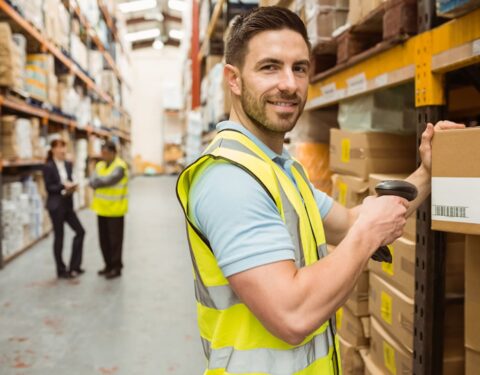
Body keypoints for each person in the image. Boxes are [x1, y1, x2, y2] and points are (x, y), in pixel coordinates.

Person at [176, 6, 465, 375]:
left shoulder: (280, 171)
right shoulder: (229, 180)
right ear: (233, 79)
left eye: (299, 68)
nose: (290, 84)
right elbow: (292, 315)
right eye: (269, 67)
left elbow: (351, 222)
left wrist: (427, 172)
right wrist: (366, 236)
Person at [43, 139, 85, 279]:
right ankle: (61, 269)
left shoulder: (67, 164)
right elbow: (49, 188)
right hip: (56, 206)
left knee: (80, 231)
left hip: (67, 204)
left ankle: (75, 266)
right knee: (59, 237)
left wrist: (72, 187)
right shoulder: (48, 166)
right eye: (60, 148)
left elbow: (70, 178)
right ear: (53, 149)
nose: (62, 151)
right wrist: (63, 186)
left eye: (64, 147)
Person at [90, 141, 129, 279]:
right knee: (104, 241)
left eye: (106, 153)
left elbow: (109, 181)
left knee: (115, 242)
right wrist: (97, 181)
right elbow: (92, 180)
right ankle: (107, 265)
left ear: (113, 153)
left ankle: (116, 267)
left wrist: (97, 182)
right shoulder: (99, 165)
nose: (104, 156)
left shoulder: (120, 167)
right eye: (102, 153)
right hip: (101, 210)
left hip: (116, 211)